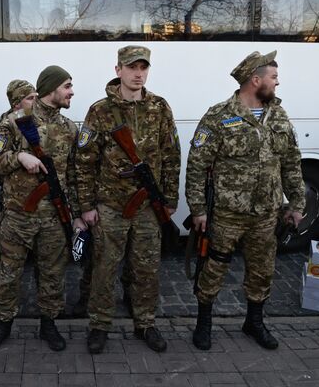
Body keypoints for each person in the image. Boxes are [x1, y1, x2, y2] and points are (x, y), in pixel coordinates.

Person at [186, 50, 305, 351]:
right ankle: (204, 323)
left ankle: (254, 322)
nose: (277, 83)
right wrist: (198, 210)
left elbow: (291, 162)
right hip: (227, 214)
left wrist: (296, 204)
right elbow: (197, 165)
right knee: (212, 269)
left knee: (262, 268)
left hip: (266, 213)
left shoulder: (278, 116)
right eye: (273, 77)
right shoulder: (219, 115)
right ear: (255, 80)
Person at [76, 46, 181, 354]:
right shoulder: (100, 111)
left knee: (146, 268)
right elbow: (84, 161)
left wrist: (169, 198)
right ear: (118, 69)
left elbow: (171, 154)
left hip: (149, 206)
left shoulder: (160, 107)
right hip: (110, 206)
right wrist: (86, 206)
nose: (138, 73)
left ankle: (146, 322)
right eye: (131, 67)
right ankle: (99, 325)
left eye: (143, 67)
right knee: (104, 268)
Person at [0, 66, 85, 352]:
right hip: (18, 216)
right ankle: (3, 322)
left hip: (55, 217)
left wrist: (76, 214)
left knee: (53, 274)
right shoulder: (15, 122)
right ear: (50, 89)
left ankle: (49, 323)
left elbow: (76, 175)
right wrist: (19, 157)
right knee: (8, 274)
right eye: (66, 86)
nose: (71, 91)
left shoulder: (69, 128)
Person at [0, 80, 37, 261]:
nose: (35, 102)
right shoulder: (5, 127)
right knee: (10, 268)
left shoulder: (34, 122)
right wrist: (17, 167)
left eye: (36, 97)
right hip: (14, 206)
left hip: (39, 205)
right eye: (30, 98)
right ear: (16, 104)